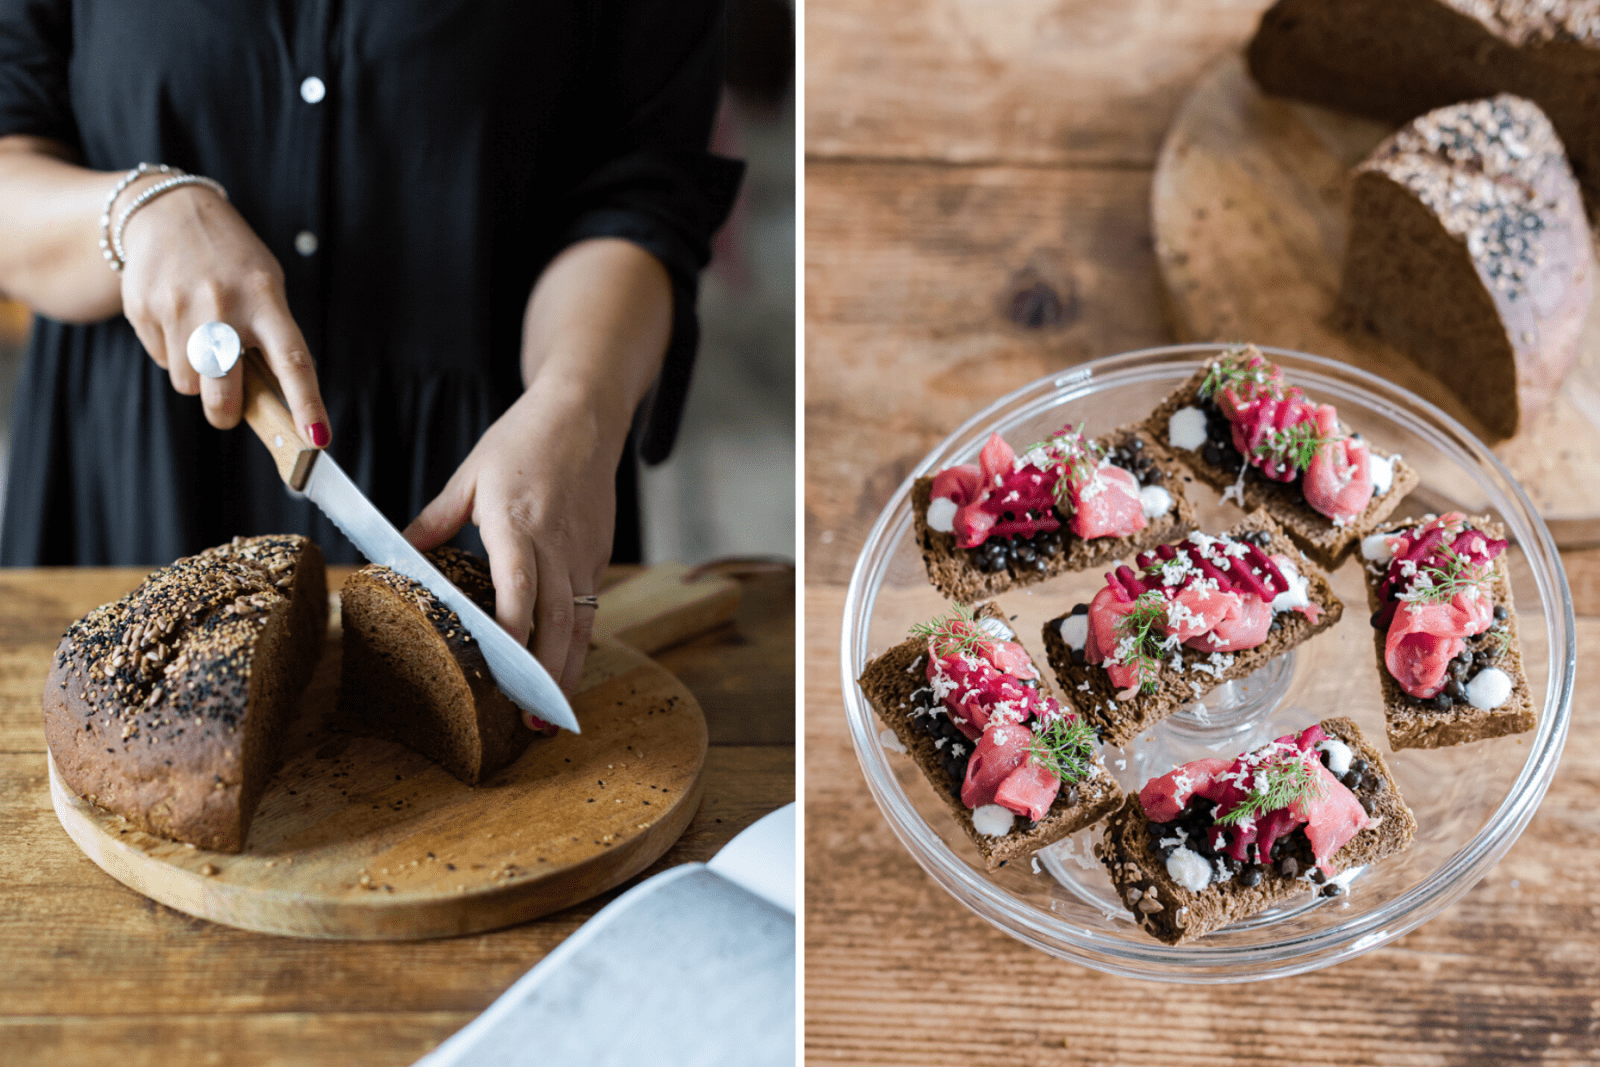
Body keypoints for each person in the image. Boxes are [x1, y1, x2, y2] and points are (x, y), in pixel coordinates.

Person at [0, 1, 742, 692]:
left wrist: (578, 399)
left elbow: (644, 193)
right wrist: (136, 210)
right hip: (130, 475)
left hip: (488, 474)